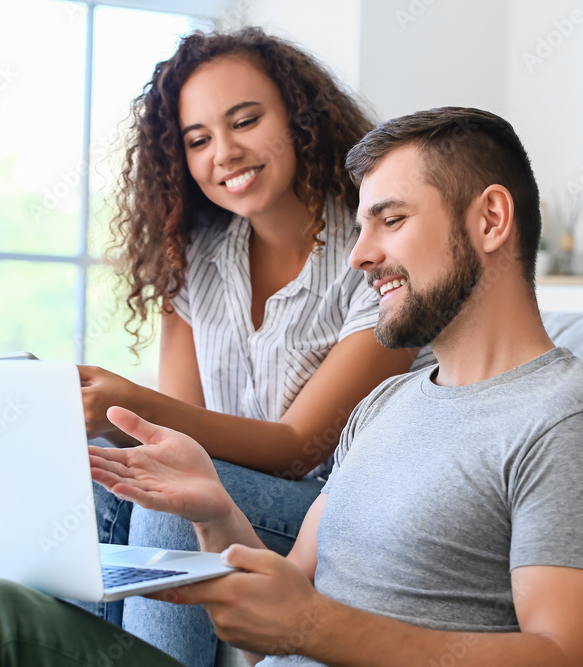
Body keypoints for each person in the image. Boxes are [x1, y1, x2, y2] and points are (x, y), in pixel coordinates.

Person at [0, 107, 583, 667]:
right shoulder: (390, 403)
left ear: (490, 220)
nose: (359, 254)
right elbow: (276, 619)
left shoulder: (571, 424)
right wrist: (214, 513)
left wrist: (313, 625)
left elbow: (572, 657)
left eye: (391, 219)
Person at [72, 27, 428, 667]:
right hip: (241, 495)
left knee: (172, 505)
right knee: (91, 476)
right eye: (198, 139)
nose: (225, 153)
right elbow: (172, 433)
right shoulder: (195, 259)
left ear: (299, 118)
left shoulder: (377, 255)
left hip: (337, 514)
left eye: (246, 121)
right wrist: (98, 420)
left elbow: (298, 452)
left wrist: (127, 400)